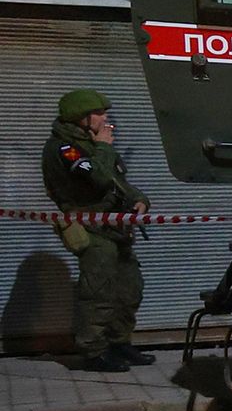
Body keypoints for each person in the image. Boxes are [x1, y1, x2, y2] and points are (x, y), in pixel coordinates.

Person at [42, 88, 152, 373]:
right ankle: (94, 351)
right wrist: (104, 146)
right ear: (82, 118)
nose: (105, 118)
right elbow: (100, 179)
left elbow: (117, 181)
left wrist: (140, 199)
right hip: (90, 229)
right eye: (99, 113)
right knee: (98, 291)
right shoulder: (65, 149)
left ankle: (119, 342)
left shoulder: (93, 144)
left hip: (116, 228)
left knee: (129, 288)